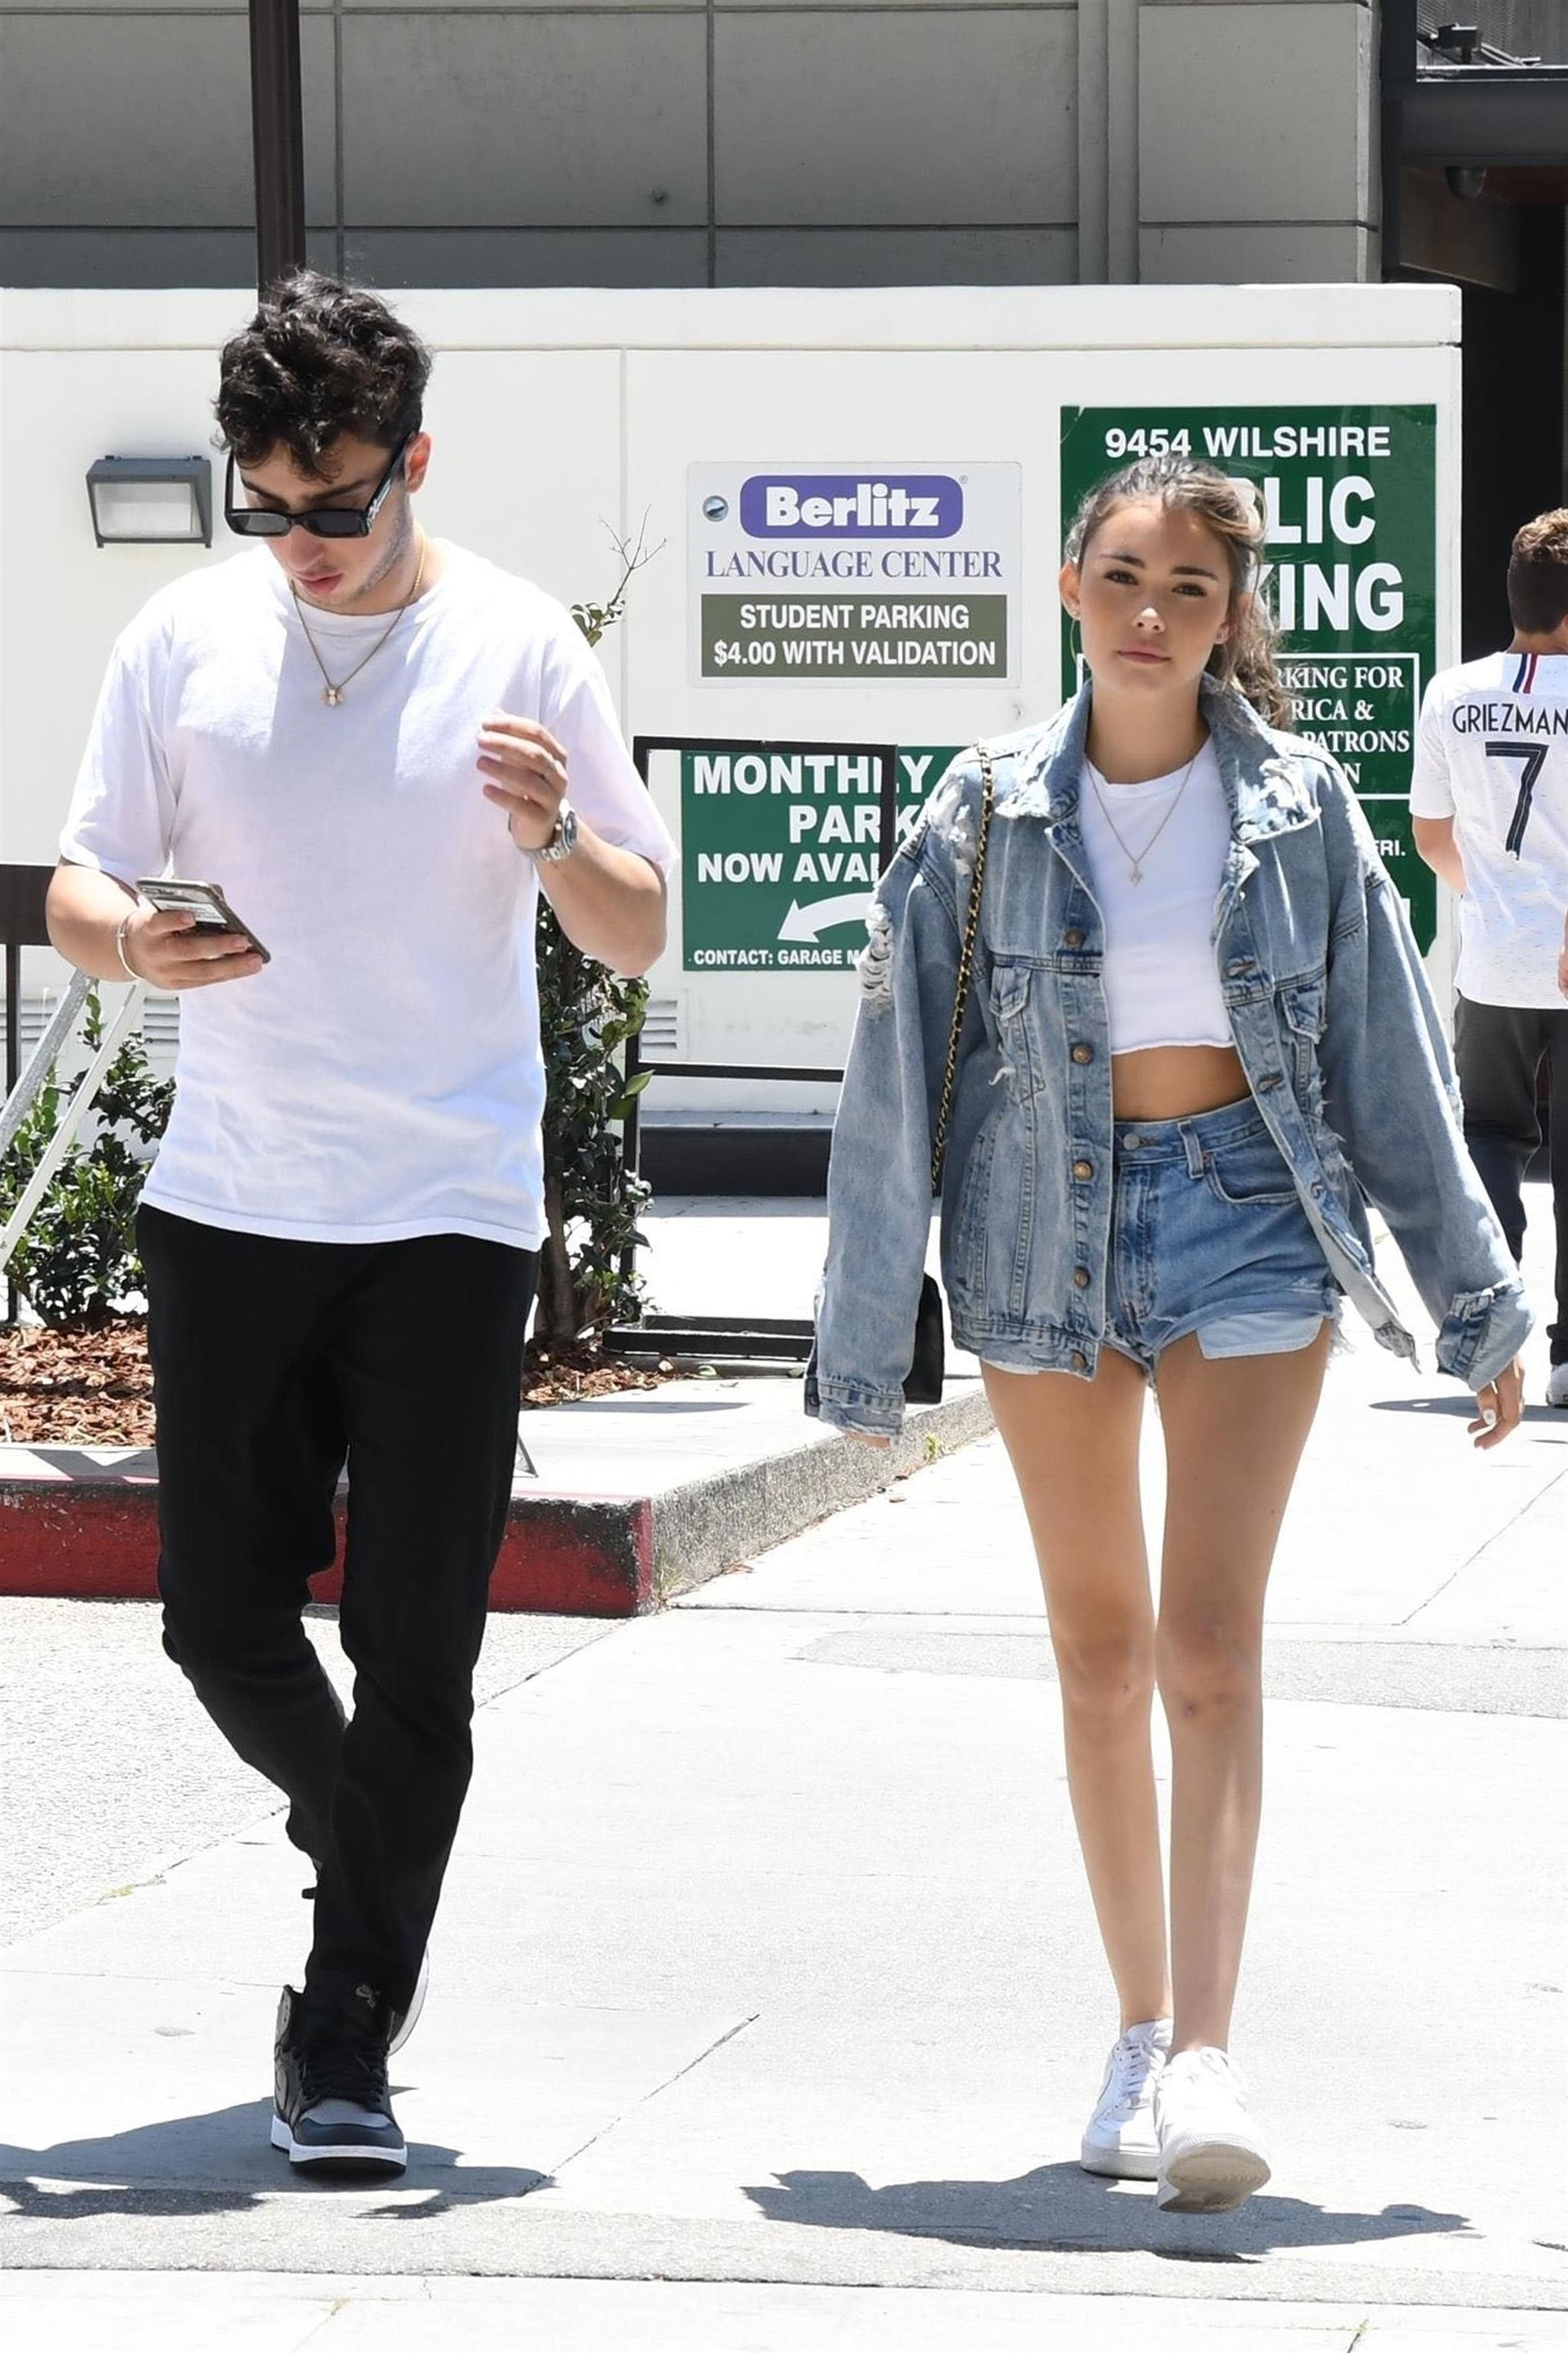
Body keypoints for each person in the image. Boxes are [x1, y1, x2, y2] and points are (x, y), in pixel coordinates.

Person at [808, 453, 1529, 2215]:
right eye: (1121, 577)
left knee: (1208, 1643)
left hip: (1245, 1219)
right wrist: (864, 1339)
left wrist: (1476, 1299)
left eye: (1186, 587)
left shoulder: (1298, 806)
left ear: (1227, 616)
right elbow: (894, 1073)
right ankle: (1133, 2032)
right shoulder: (981, 807)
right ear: (1070, 591)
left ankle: (1206, 2049)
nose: (1148, 612)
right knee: (1098, 1652)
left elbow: (1387, 1062)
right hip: (1033, 1233)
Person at [47, 273, 675, 2178]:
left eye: (336, 503)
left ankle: (344, 2032)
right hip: (232, 1203)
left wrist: (555, 834)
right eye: (268, 504)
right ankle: (369, 1840)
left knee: (420, 1650)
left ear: (416, 462)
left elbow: (637, 928)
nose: (302, 541)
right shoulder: (182, 637)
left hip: (449, 1218)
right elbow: (80, 878)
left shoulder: (519, 647)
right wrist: (130, 940)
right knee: (218, 1622)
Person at [1411, 506, 1568, 1409]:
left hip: (1494, 960)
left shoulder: (1450, 694)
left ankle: (1491, 1335)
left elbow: (1431, 837)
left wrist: (1498, 903)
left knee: (1488, 1141)